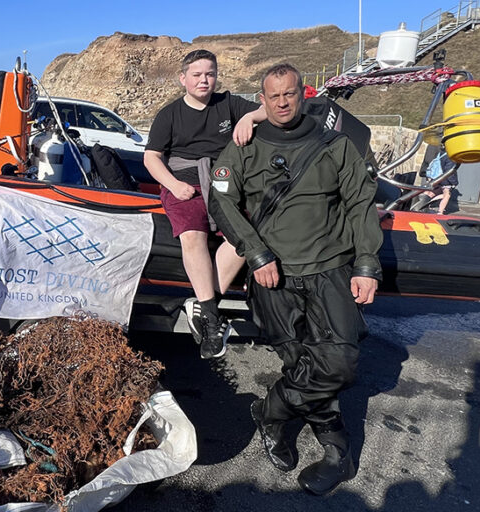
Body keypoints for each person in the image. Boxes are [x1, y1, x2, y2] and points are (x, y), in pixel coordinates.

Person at [208, 63, 383, 495]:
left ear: (303, 94)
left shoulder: (335, 145)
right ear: (261, 101)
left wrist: (365, 265)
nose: (283, 102)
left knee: (339, 363)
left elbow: (360, 205)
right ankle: (336, 449)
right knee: (299, 363)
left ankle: (272, 411)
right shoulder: (244, 147)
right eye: (274, 96)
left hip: (329, 269)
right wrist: (256, 251)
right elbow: (222, 202)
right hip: (274, 276)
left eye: (290, 94)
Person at [143, 49, 266, 359]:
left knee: (245, 237)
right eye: (197, 74)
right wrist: (174, 185)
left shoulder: (229, 103)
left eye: (209, 73)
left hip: (224, 179)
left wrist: (250, 116)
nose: (204, 80)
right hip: (184, 181)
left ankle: (201, 304)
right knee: (193, 236)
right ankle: (211, 319)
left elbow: (270, 110)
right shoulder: (169, 114)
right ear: (183, 79)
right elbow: (151, 157)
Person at [411, 144, 458, 215]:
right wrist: (454, 182)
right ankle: (440, 211)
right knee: (446, 195)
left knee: (431, 192)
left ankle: (420, 205)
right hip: (445, 180)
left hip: (435, 177)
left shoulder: (442, 153)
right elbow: (449, 172)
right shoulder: (451, 158)